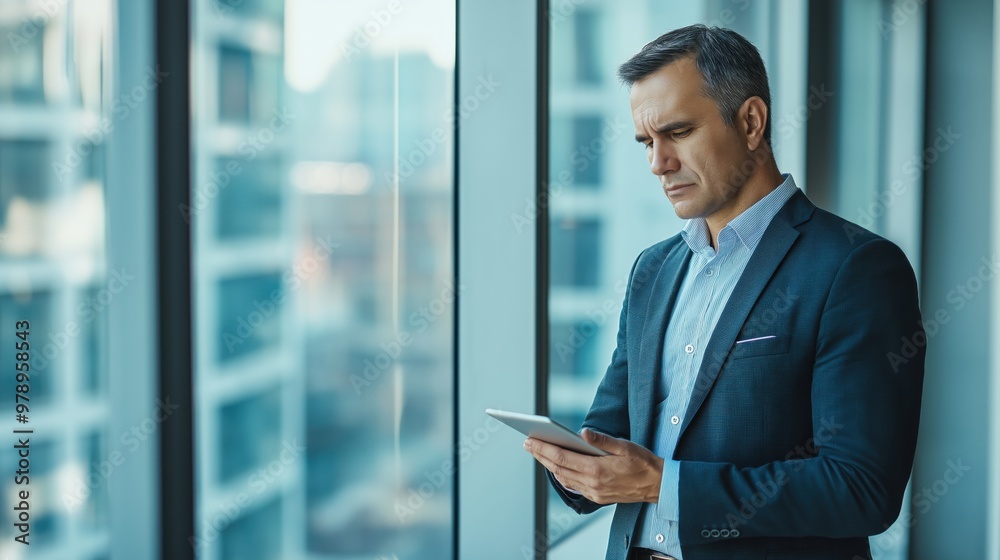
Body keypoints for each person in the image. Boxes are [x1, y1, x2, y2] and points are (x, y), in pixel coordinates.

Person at [523, 24, 924, 560]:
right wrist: (577, 469)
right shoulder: (654, 270)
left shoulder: (856, 268)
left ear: (751, 121)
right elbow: (611, 430)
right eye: (647, 142)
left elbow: (860, 488)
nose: (657, 163)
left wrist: (661, 485)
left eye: (678, 133)